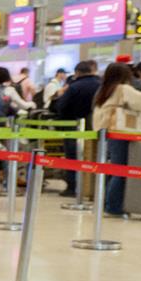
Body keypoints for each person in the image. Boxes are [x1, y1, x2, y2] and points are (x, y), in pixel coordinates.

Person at [93, 62, 141, 217]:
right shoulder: (123, 89)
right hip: (121, 133)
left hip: (108, 132)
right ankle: (113, 207)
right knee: (121, 170)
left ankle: (107, 203)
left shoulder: (104, 89)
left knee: (114, 169)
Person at [49, 61, 101, 196]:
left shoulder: (74, 87)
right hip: (95, 128)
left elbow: (61, 106)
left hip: (72, 126)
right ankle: (93, 188)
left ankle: (72, 188)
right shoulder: (101, 85)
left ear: (77, 72)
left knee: (72, 157)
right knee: (94, 157)